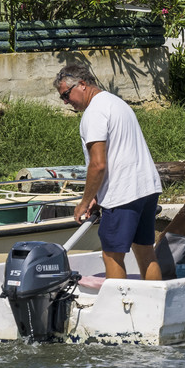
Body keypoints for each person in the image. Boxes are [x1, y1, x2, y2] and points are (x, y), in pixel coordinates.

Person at [56, 65, 164, 281]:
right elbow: (118, 153)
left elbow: (98, 164)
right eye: (63, 98)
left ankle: (118, 310)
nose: (66, 102)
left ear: (82, 85)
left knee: (112, 256)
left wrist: (84, 202)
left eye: (66, 95)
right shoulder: (116, 102)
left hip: (123, 194)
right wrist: (97, 196)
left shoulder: (94, 112)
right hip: (147, 188)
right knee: (145, 251)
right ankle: (155, 307)